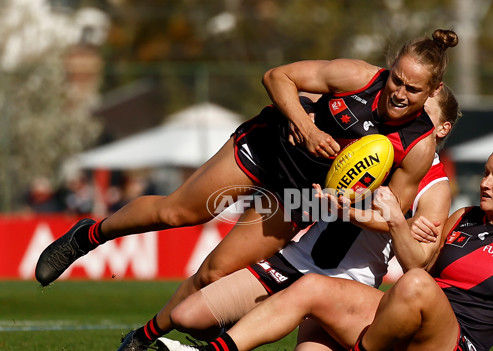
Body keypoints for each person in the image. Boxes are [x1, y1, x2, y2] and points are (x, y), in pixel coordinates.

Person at [35, 29, 459, 296]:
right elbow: (278, 77)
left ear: (433, 91)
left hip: (298, 197)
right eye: (397, 80)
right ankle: (86, 236)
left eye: (413, 89)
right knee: (176, 211)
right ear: (390, 70)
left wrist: (346, 207)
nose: (399, 93)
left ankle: (144, 341)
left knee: (215, 272)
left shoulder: (418, 145)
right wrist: (304, 124)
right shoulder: (358, 76)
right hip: (269, 146)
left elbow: (387, 214)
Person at [156, 144, 493, 351]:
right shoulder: (463, 218)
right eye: (484, 172)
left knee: (418, 286)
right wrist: (396, 223)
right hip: (407, 319)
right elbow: (413, 262)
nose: (484, 182)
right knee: (312, 285)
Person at [101, 85, 461, 351]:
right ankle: (188, 340)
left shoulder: (434, 186)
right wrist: (302, 120)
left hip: (347, 287)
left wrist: (389, 220)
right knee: (188, 316)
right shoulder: (369, 143)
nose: (410, 117)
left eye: (424, 115)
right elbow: (315, 98)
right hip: (298, 258)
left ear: (441, 129)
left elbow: (418, 262)